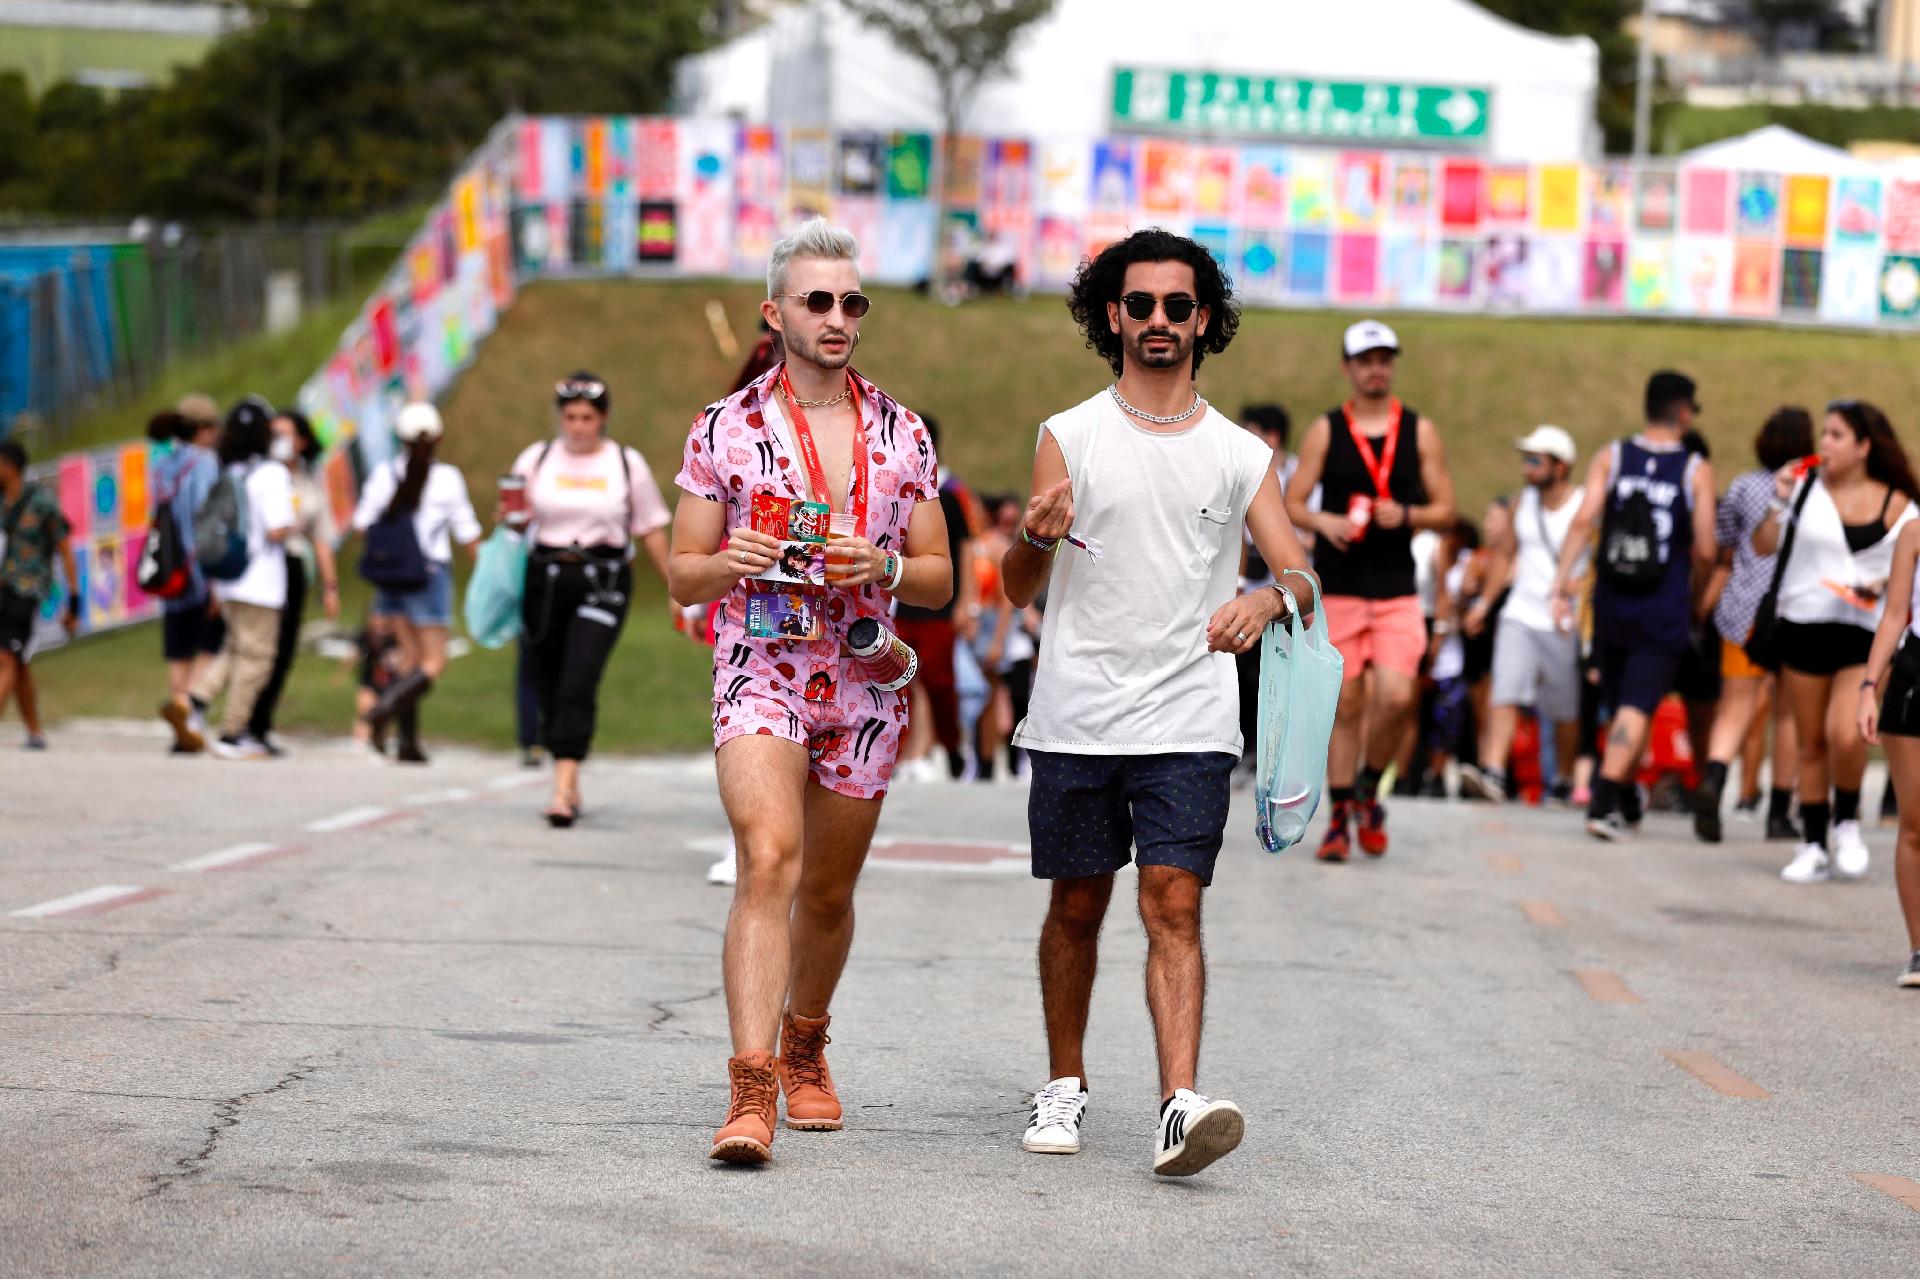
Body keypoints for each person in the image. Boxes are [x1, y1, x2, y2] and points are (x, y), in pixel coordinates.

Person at [1006, 228, 1312, 1178]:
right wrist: (1036, 537)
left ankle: (1180, 1103)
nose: (1159, 321)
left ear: (1205, 320)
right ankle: (1065, 1081)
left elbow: (1299, 573)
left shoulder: (1239, 452)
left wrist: (1268, 596)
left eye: (1180, 307)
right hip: (1079, 712)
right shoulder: (1069, 433)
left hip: (1189, 714)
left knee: (1173, 900)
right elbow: (1018, 586)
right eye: (1141, 305)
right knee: (1077, 906)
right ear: (1113, 315)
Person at [667, 218, 952, 1164]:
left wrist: (884, 562)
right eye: (817, 301)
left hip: (865, 680)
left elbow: (943, 575)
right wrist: (728, 559)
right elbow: (680, 571)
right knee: (768, 856)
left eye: (851, 302)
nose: (838, 317)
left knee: (827, 891)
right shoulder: (727, 427)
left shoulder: (901, 430)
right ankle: (749, 1089)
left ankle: (805, 1044)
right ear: (775, 311)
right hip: (763, 665)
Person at [1285, 320, 1456, 861]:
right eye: (1366, 360)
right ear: (1348, 368)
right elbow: (1291, 502)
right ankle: (1339, 818)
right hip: (1339, 589)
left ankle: (1368, 790)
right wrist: (1324, 523)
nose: (1376, 368)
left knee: (1398, 696)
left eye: (1384, 358)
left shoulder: (1419, 431)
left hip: (1398, 589)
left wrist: (1406, 513)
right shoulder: (1326, 429)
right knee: (1346, 704)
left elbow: (1447, 509)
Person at [1552, 371, 1718, 840]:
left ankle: (1624, 796)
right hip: (1661, 604)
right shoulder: (1694, 469)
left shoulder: (1612, 455)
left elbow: (1585, 519)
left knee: (1619, 699)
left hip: (1611, 601)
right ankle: (1603, 801)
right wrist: (1696, 591)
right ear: (1684, 411)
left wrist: (1561, 584)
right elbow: (1706, 549)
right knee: (1638, 705)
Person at [1756, 401, 1917, 883]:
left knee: (1844, 731)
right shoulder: (1803, 490)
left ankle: (1846, 822)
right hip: (1805, 622)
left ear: (1865, 446)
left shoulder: (1899, 501)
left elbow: (1913, 567)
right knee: (1808, 741)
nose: (1824, 444)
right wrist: (1778, 500)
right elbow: (1763, 545)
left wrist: (1885, 585)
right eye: (1823, 434)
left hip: (1865, 632)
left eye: (1836, 435)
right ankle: (1811, 841)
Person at [509, 371, 672, 826]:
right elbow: (515, 518)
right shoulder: (538, 458)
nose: (578, 426)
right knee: (545, 678)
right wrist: (509, 519)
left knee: (578, 677)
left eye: (587, 417)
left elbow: (650, 527)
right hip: (545, 576)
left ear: (603, 418)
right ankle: (569, 773)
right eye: (570, 416)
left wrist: (678, 589)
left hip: (604, 578)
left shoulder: (624, 462)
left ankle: (562, 788)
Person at [1692, 408, 1814, 843]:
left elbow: (1725, 547)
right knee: (1786, 715)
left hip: (1743, 609)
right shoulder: (1813, 489)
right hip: (1793, 611)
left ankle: (1715, 777)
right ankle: (1780, 810)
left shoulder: (1743, 486)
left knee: (1734, 707)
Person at [1461, 427, 1585, 804]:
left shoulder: (1583, 505)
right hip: (1521, 613)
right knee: (1506, 690)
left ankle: (1563, 777)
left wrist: (1574, 590)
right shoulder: (1521, 503)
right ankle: (1494, 771)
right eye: (1525, 459)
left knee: (1563, 707)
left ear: (1560, 466)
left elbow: (1596, 564)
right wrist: (1484, 603)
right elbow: (1504, 556)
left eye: (1535, 460)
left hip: (1563, 620)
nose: (1526, 467)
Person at [353, 402, 482, 764]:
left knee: (407, 658)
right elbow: (467, 532)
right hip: (429, 575)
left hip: (390, 578)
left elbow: (363, 524)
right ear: (438, 437)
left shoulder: (383, 475)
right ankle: (384, 707)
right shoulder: (447, 478)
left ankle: (408, 743)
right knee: (433, 662)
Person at [185, 398, 296, 760]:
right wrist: (298, 522)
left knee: (235, 649)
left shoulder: (230, 470)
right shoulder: (272, 473)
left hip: (230, 577)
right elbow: (277, 529)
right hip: (261, 582)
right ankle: (233, 732)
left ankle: (195, 702)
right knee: (258, 658)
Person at [244, 410, 342, 755]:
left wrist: (330, 587)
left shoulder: (310, 479)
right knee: (259, 646)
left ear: (302, 441)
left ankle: (260, 723)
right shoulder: (260, 474)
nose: (280, 441)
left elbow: (322, 537)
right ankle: (241, 721)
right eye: (274, 434)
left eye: (286, 434)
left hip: (294, 566)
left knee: (284, 649)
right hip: (263, 566)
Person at [1853, 508, 1920, 987]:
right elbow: (1895, 613)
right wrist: (1868, 686)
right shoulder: (1914, 533)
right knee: (1915, 824)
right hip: (1916, 676)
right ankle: (1919, 950)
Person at [893, 413, 977, 784]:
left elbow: (967, 551)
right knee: (898, 677)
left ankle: (949, 744)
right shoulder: (892, 485)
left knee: (938, 681)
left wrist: (967, 603)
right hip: (897, 601)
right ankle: (910, 752)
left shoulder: (950, 493)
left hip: (939, 605)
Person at [151, 401, 225, 753]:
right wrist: (214, 579)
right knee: (212, 645)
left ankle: (181, 724)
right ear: (202, 430)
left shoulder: (161, 464)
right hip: (198, 570)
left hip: (169, 570)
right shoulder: (205, 463)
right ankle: (187, 710)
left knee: (178, 652)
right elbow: (206, 521)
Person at [0, 441, 80, 743]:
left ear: (10, 465)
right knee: (18, 661)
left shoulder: (42, 503)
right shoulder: (3, 502)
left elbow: (66, 550)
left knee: (6, 657)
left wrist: (73, 602)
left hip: (30, 590)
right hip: (5, 587)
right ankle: (34, 731)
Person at [1235, 403, 1293, 776]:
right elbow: (1237, 534)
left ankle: (1278, 752)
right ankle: (1247, 746)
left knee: (1280, 672)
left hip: (1284, 583)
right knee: (1244, 668)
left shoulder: (1298, 475)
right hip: (1252, 581)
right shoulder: (1242, 469)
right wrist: (1239, 583)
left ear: (1271, 437)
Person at [969, 494, 1038, 781]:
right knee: (977, 695)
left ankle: (1014, 760)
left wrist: (999, 641)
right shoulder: (972, 547)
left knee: (1013, 696)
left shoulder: (998, 547)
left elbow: (1008, 599)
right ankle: (982, 763)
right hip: (976, 624)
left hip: (999, 627)